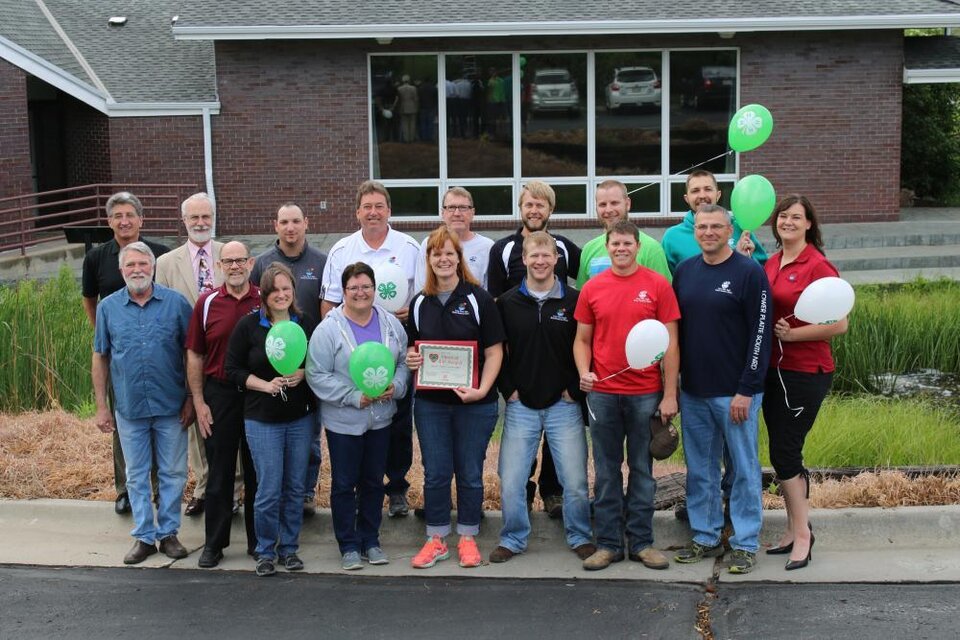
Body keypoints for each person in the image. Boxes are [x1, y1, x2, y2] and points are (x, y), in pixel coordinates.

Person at [672, 204, 772, 575]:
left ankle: (745, 543)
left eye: (716, 226)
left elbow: (761, 335)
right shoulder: (684, 271)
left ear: (729, 229)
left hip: (735, 393)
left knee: (744, 469)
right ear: (694, 230)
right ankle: (705, 535)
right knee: (700, 470)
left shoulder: (749, 273)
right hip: (694, 392)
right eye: (702, 226)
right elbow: (675, 332)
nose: (708, 232)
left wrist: (747, 388)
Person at [573, 220, 679, 572]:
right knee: (605, 472)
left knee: (642, 470)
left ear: (637, 246)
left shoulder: (658, 286)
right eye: (615, 243)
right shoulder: (593, 288)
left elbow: (671, 345)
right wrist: (583, 371)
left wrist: (669, 394)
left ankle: (642, 543)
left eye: (627, 244)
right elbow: (582, 340)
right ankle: (607, 544)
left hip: (645, 394)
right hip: (603, 394)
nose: (621, 249)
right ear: (607, 246)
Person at [405, 226, 505, 569]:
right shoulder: (419, 303)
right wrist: (411, 359)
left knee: (470, 472)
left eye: (450, 253)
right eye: (437, 254)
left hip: (475, 403)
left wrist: (481, 389)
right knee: (435, 472)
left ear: (459, 258)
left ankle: (466, 536)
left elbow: (495, 352)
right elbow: (413, 349)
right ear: (428, 260)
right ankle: (436, 539)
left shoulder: (480, 299)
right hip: (432, 405)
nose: (443, 259)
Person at [491, 231, 594, 563]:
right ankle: (513, 537)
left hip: (564, 404)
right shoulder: (506, 303)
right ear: (524, 260)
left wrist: (574, 389)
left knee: (575, 481)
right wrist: (510, 391)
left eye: (546, 255)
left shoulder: (575, 300)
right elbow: (497, 352)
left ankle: (579, 535)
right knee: (511, 480)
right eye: (533, 256)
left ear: (556, 259)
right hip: (521, 405)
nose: (539, 261)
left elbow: (588, 345)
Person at [321, 181, 420, 518]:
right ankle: (362, 490)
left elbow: (422, 297)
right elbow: (329, 304)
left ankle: (396, 489)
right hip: (350, 354)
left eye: (380, 206)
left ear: (389, 210)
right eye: (367, 207)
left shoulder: (409, 247)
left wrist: (410, 314)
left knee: (397, 422)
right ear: (357, 212)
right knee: (356, 422)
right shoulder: (341, 250)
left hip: (394, 347)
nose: (373, 212)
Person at [91, 242, 193, 565]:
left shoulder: (176, 304)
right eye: (130, 265)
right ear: (122, 271)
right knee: (135, 474)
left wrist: (192, 398)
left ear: (152, 267)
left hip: (171, 405)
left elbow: (192, 356)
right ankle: (144, 536)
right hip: (129, 408)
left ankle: (169, 533)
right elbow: (101, 356)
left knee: (173, 472)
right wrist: (101, 406)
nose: (137, 270)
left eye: (142, 264)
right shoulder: (108, 308)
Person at [762, 195, 848, 571]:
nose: (788, 222)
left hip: (805, 371)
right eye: (783, 216)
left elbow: (840, 322)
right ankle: (794, 528)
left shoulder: (818, 265)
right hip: (773, 371)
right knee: (782, 454)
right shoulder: (772, 260)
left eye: (796, 217)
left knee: (785, 452)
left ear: (809, 223)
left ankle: (803, 536)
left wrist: (795, 336)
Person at [306, 262, 409, 570]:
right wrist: (353, 397)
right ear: (344, 291)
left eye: (366, 287)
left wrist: (398, 385)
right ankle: (348, 544)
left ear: (375, 289)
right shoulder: (329, 327)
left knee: (374, 482)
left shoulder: (390, 323)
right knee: (344, 483)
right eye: (354, 288)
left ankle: (371, 540)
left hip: (381, 419)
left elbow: (403, 362)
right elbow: (316, 374)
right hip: (344, 422)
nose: (361, 293)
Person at [488, 180, 580, 518]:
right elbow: (494, 305)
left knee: (559, 436)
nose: (534, 210)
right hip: (519, 357)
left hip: (557, 351)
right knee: (521, 442)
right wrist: (506, 383)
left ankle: (552, 492)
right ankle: (523, 494)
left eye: (541, 205)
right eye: (529, 204)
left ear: (550, 210)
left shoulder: (567, 248)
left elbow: (584, 300)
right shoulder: (502, 250)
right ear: (521, 207)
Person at [226, 263, 318, 577]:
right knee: (267, 488)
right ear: (264, 294)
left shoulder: (305, 323)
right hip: (261, 419)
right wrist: (264, 385)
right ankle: (265, 550)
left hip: (299, 419)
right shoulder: (248, 326)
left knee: (294, 487)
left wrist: (302, 372)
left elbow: (319, 364)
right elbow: (232, 370)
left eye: (286, 289)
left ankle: (289, 549)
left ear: (293, 290)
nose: (281, 295)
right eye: (274, 290)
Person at [82, 191, 170, 515]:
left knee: (161, 423)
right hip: (121, 351)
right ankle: (126, 490)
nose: (124, 221)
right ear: (109, 222)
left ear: (140, 220)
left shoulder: (160, 254)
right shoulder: (96, 258)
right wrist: (104, 332)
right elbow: (90, 298)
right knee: (123, 423)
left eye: (129, 215)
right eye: (117, 216)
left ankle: (161, 489)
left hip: (157, 349)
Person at [186, 241, 261, 568]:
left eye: (240, 260)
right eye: (228, 261)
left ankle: (259, 542)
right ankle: (214, 544)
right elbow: (195, 354)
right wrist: (199, 401)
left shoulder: (265, 300)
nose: (234, 266)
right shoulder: (206, 303)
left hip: (259, 394)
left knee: (258, 471)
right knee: (219, 472)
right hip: (220, 395)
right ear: (219, 266)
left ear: (250, 263)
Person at [251, 203, 327, 516]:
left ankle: (305, 492)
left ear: (306, 223)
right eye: (284, 222)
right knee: (274, 438)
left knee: (309, 436)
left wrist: (310, 366)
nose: (290, 227)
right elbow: (256, 308)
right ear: (276, 225)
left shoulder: (321, 261)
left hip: (308, 361)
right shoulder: (263, 262)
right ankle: (277, 493)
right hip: (270, 363)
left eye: (296, 221)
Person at [155, 192, 223, 518]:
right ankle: (203, 488)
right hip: (188, 358)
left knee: (228, 424)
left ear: (213, 218)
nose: (200, 223)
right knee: (197, 425)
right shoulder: (166, 264)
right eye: (194, 218)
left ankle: (233, 488)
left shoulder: (230, 255)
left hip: (227, 357)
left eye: (205, 217)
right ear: (183, 221)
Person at [661, 170, 768, 274]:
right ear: (687, 198)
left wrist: (745, 258)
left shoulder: (739, 228)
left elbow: (763, 271)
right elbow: (667, 283)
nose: (702, 196)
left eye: (708, 189)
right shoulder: (672, 237)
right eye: (695, 191)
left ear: (718, 194)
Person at [576, 180, 671, 286]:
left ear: (628, 204)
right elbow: (582, 296)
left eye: (614, 203)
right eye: (602, 204)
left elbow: (664, 294)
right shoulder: (589, 249)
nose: (608, 209)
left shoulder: (652, 249)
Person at [414, 187, 494, 291]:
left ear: (472, 212)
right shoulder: (429, 243)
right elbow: (421, 289)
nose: (457, 213)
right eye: (451, 207)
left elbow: (490, 294)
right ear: (443, 213)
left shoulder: (488, 246)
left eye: (463, 207)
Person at [397, 74, 419, 143]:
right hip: (412, 106)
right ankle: (411, 138)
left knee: (404, 124)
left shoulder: (399, 88)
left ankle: (406, 139)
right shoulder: (413, 88)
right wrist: (417, 106)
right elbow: (416, 99)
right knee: (412, 123)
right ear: (409, 80)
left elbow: (399, 99)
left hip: (403, 107)